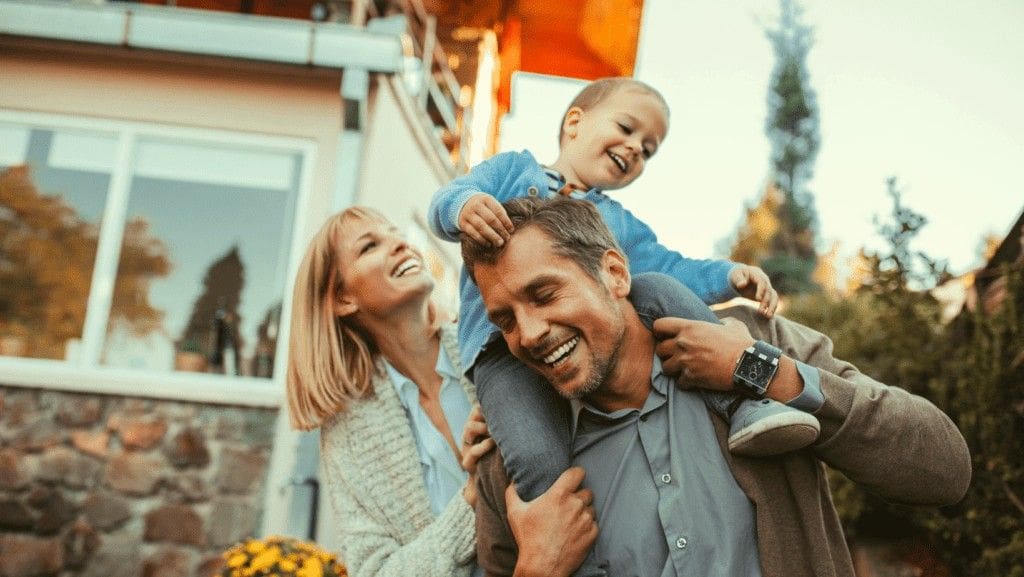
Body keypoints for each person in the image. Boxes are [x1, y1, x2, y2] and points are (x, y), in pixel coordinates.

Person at [463, 196, 972, 577]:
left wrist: (765, 374)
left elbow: (943, 470)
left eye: (545, 294)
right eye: (505, 320)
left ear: (615, 274)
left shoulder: (756, 344)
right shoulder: (511, 466)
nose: (528, 334)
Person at [428, 77, 815, 544]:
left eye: (648, 150)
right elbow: (449, 197)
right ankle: (564, 541)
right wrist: (463, 207)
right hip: (502, 354)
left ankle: (744, 404)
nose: (635, 149)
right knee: (535, 457)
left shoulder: (616, 224)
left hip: (585, 341)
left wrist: (729, 275)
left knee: (656, 287)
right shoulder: (512, 171)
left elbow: (672, 266)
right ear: (575, 122)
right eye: (627, 129)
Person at [286, 206, 495, 577]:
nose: (401, 244)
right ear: (343, 300)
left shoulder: (488, 353)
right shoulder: (348, 433)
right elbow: (375, 572)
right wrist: (472, 500)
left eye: (396, 233)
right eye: (370, 246)